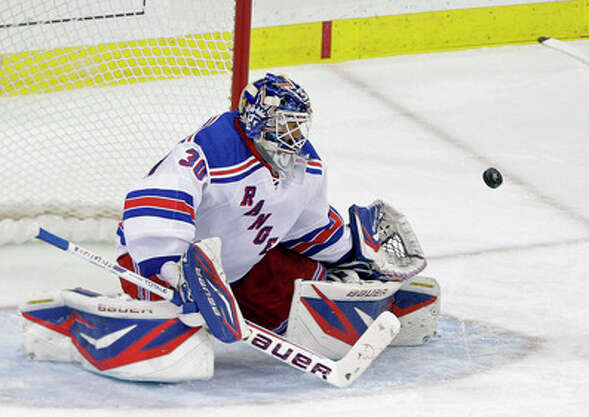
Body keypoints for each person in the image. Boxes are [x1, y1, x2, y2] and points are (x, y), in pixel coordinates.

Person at [19, 72, 439, 383]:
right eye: (283, 125)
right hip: (162, 260)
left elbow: (305, 227)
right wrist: (171, 269)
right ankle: (68, 327)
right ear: (257, 121)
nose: (293, 136)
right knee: (176, 332)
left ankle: (378, 303)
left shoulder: (304, 164)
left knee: (313, 298)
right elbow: (151, 202)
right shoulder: (211, 150)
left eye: (298, 126)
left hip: (242, 265)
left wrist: (353, 251)